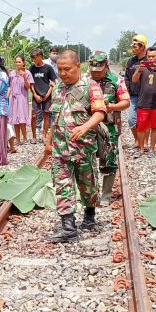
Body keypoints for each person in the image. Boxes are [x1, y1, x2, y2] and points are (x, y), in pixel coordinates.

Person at [46, 50, 107, 243]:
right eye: (60, 70)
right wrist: (48, 141)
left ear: (77, 67)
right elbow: (53, 118)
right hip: (60, 150)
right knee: (63, 185)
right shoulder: (57, 89)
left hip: (84, 148)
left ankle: (89, 214)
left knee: (87, 186)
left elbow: (100, 113)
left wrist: (85, 127)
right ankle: (68, 226)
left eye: (67, 69)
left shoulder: (91, 87)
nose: (63, 73)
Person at [88, 52, 129, 204]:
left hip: (109, 126)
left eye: (98, 70)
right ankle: (89, 193)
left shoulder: (116, 81)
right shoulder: (85, 81)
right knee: (86, 159)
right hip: (88, 126)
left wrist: (110, 107)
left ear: (106, 65)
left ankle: (105, 194)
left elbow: (126, 102)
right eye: (93, 70)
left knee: (109, 160)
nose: (95, 73)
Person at [131, 47, 156, 156]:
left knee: (155, 127)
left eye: (153, 56)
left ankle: (152, 149)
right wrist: (139, 70)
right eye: (149, 56)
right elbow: (134, 80)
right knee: (141, 127)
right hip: (143, 102)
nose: (151, 58)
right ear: (146, 56)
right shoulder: (141, 66)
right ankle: (142, 149)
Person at [124, 35, 148, 149]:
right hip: (133, 95)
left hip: (146, 96)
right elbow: (127, 78)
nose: (132, 48)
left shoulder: (149, 60)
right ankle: (137, 139)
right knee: (131, 120)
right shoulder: (131, 61)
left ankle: (145, 143)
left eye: (135, 46)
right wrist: (126, 91)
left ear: (142, 47)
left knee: (145, 121)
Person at [29, 48, 57, 144]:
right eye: (32, 58)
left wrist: (48, 94)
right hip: (36, 95)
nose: (34, 60)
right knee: (33, 116)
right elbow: (30, 83)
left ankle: (44, 136)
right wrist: (35, 94)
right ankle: (33, 136)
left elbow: (53, 82)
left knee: (46, 116)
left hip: (46, 96)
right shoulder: (32, 68)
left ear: (40, 56)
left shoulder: (48, 68)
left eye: (35, 58)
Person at [8, 55, 33, 146]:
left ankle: (25, 138)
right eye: (16, 62)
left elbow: (28, 87)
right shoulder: (11, 74)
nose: (18, 64)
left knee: (22, 119)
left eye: (19, 62)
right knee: (15, 120)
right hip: (13, 98)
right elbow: (10, 86)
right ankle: (17, 139)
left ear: (23, 63)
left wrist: (24, 77)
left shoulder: (27, 73)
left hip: (22, 98)